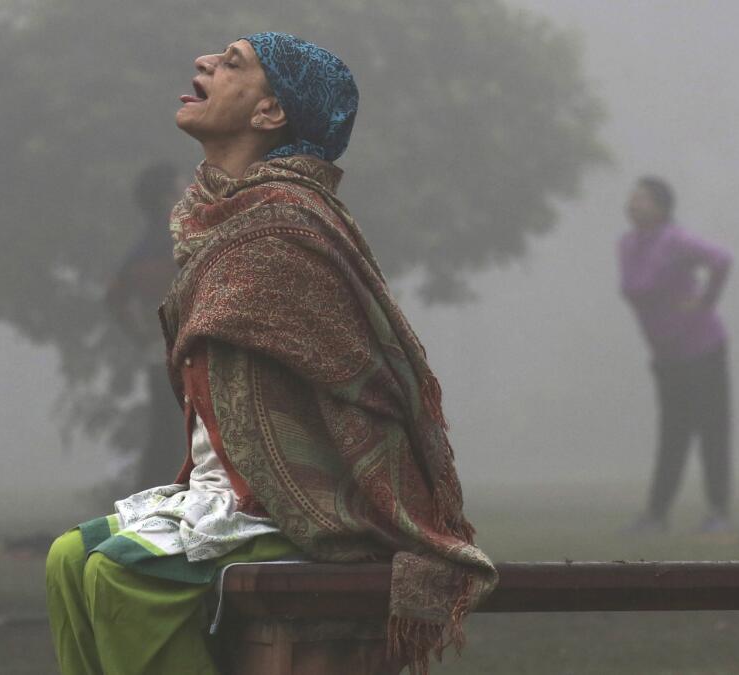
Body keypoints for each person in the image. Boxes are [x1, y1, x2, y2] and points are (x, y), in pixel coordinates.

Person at [45, 33, 496, 675]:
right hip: (222, 494)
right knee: (68, 557)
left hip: (299, 509)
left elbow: (363, 384)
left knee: (125, 576)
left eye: (233, 64)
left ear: (270, 113)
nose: (203, 62)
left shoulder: (281, 226)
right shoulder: (230, 219)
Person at [619, 176, 733, 534]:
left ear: (662, 207)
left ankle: (718, 512)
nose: (634, 204)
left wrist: (706, 301)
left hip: (702, 348)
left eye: (643, 199)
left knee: (711, 431)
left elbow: (721, 259)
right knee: (672, 433)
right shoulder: (627, 245)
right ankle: (656, 515)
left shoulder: (676, 240)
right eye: (632, 198)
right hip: (666, 356)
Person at [105, 161, 187, 489]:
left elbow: (114, 299)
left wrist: (142, 338)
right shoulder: (179, 242)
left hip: (159, 354)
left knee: (164, 441)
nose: (188, 189)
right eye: (181, 184)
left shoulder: (141, 250)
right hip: (187, 355)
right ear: (168, 197)